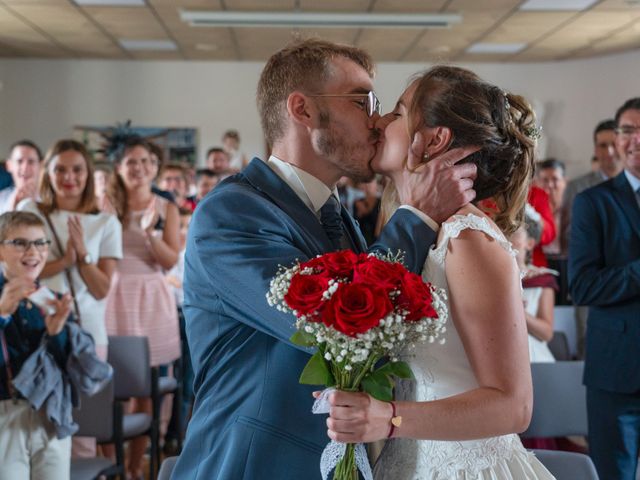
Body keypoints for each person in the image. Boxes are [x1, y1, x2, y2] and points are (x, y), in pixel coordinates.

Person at [173, 39, 477, 479]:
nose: (377, 121)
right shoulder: (230, 214)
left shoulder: (338, 216)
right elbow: (335, 328)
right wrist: (416, 215)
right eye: (362, 101)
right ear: (304, 110)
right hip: (252, 463)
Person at [324, 66, 553, 479]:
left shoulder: (466, 240)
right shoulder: (420, 232)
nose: (378, 122)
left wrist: (389, 418)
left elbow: (514, 405)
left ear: (434, 140)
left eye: (396, 112)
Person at [17, 140, 123, 458]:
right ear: (47, 174)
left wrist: (82, 258)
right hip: (36, 330)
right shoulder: (30, 212)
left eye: (77, 170)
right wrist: (64, 261)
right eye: (60, 169)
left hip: (85, 333)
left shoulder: (106, 222)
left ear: (88, 174)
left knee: (80, 434)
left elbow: (102, 289)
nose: (69, 177)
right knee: (33, 428)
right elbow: (19, 272)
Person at [569, 97, 640, 480]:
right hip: (617, 371)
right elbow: (581, 287)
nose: (636, 140)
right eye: (628, 130)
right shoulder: (592, 203)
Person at [104, 137, 181, 480]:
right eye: (131, 162)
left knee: (144, 385)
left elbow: (169, 261)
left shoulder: (166, 208)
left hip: (150, 297)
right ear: (118, 168)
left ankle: (137, 465)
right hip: (113, 294)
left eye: (146, 161)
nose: (139, 168)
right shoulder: (104, 204)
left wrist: (150, 234)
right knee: (109, 385)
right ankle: (113, 464)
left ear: (156, 166)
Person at [510, 208, 557, 363]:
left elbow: (547, 333)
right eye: (505, 231)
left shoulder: (542, 279)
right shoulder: (489, 276)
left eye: (514, 233)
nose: (507, 237)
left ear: (529, 243)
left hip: (532, 355)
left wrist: (518, 311)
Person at [0, 140, 43, 214]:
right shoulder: (1, 199)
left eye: (31, 161)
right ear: (9, 165)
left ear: (41, 165)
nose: (25, 167)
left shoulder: (53, 199)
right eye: (19, 161)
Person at [536, 158, 566, 256]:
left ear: (564, 182)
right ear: (538, 182)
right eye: (545, 180)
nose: (550, 185)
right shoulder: (532, 209)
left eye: (555, 179)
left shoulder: (572, 208)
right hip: (539, 259)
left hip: (565, 259)